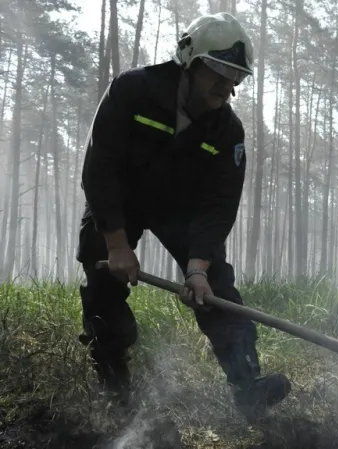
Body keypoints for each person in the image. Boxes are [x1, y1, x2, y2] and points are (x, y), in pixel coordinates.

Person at [76, 12, 290, 422]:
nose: (227, 88)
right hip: (119, 203)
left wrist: (198, 268)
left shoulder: (229, 133)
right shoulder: (132, 91)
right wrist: (118, 245)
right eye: (220, 73)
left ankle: (248, 388)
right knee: (103, 284)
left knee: (220, 292)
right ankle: (115, 395)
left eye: (236, 79)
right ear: (189, 62)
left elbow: (219, 205)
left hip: (182, 212)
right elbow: (99, 167)